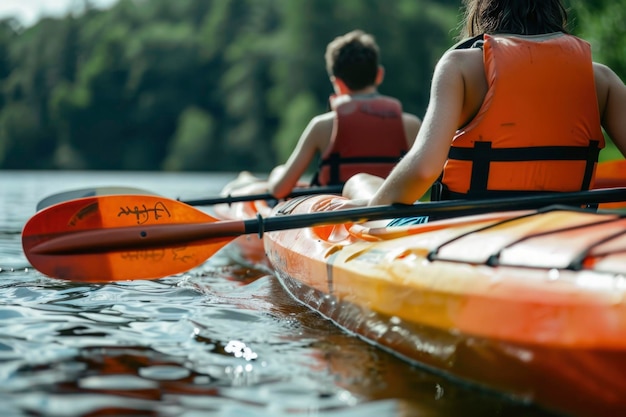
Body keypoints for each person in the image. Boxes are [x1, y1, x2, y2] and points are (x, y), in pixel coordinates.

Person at [331, 0, 626, 216]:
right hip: (564, 227)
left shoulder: (460, 67)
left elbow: (423, 169)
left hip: (467, 229)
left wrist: (375, 209)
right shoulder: (599, 77)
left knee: (360, 182)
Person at [266, 29, 422, 199]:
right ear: (379, 75)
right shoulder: (410, 124)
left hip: (336, 215)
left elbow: (281, 190)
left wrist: (276, 175)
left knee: (279, 171)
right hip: (393, 213)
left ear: (337, 83)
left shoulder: (322, 126)